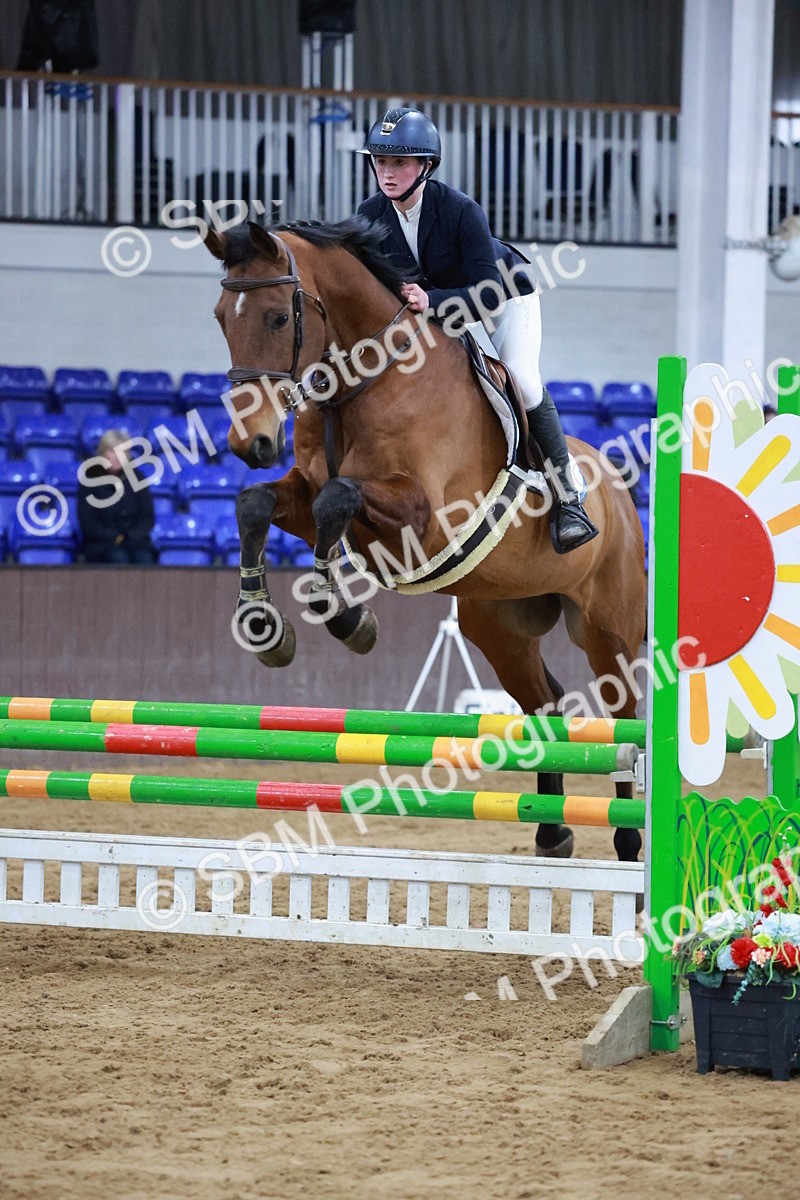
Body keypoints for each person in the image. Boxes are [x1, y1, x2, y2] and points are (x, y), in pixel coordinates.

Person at [357, 107, 598, 554]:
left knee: (523, 381)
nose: (387, 173)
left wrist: (434, 301)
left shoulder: (461, 210)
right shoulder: (370, 214)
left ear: (426, 166)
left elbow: (486, 295)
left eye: (400, 162)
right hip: (435, 310)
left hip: (502, 298)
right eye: (380, 162)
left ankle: (569, 497)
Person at [78, 429, 157, 564]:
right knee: (118, 558)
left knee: (144, 558)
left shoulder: (137, 478)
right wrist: (114, 537)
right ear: (102, 454)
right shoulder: (90, 478)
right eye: (112, 451)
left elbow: (147, 517)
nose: (117, 457)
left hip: (135, 542)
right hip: (101, 544)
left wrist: (129, 537)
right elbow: (88, 521)